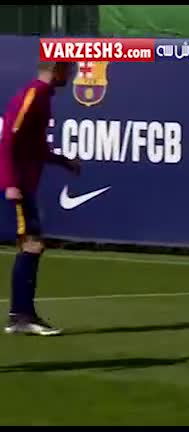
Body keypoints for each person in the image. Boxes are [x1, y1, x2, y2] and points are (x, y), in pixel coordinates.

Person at [0, 61, 80, 336]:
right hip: (16, 185)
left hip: (24, 185)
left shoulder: (43, 97)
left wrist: (63, 161)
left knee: (32, 245)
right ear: (57, 70)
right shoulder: (34, 94)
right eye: (69, 70)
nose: (72, 76)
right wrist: (11, 183)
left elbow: (35, 146)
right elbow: (9, 139)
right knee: (32, 244)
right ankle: (21, 316)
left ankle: (20, 315)